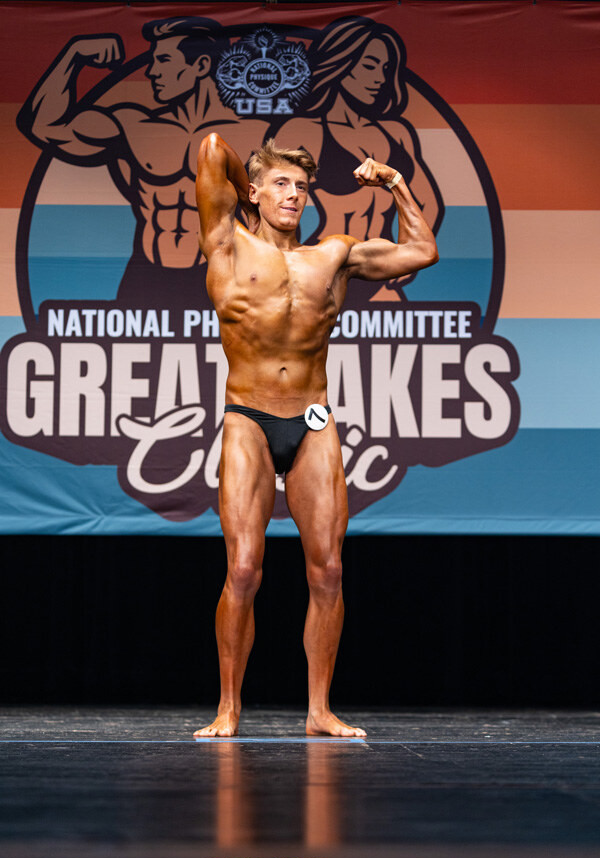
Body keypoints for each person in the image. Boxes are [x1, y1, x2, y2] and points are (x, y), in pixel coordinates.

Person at [193, 133, 438, 738]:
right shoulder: (226, 242)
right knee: (243, 569)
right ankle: (228, 707)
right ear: (254, 192)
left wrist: (394, 183)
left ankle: (320, 710)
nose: (293, 195)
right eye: (280, 184)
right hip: (248, 417)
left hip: (312, 418)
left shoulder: (333, 254)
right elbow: (213, 148)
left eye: (301, 186)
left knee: (327, 571)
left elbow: (421, 251)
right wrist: (248, 184)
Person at [17, 17, 266, 305]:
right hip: (147, 275)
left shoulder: (255, 134)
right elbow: (44, 125)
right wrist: (73, 55)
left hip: (217, 272)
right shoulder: (134, 125)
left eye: (163, 60)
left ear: (200, 66)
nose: (151, 71)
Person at [273, 16, 443, 304]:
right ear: (341, 64)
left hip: (372, 262)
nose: (380, 78)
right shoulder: (305, 130)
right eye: (369, 66)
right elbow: (270, 197)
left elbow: (430, 206)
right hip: (325, 269)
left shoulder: (396, 133)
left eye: (384, 68)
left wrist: (394, 180)